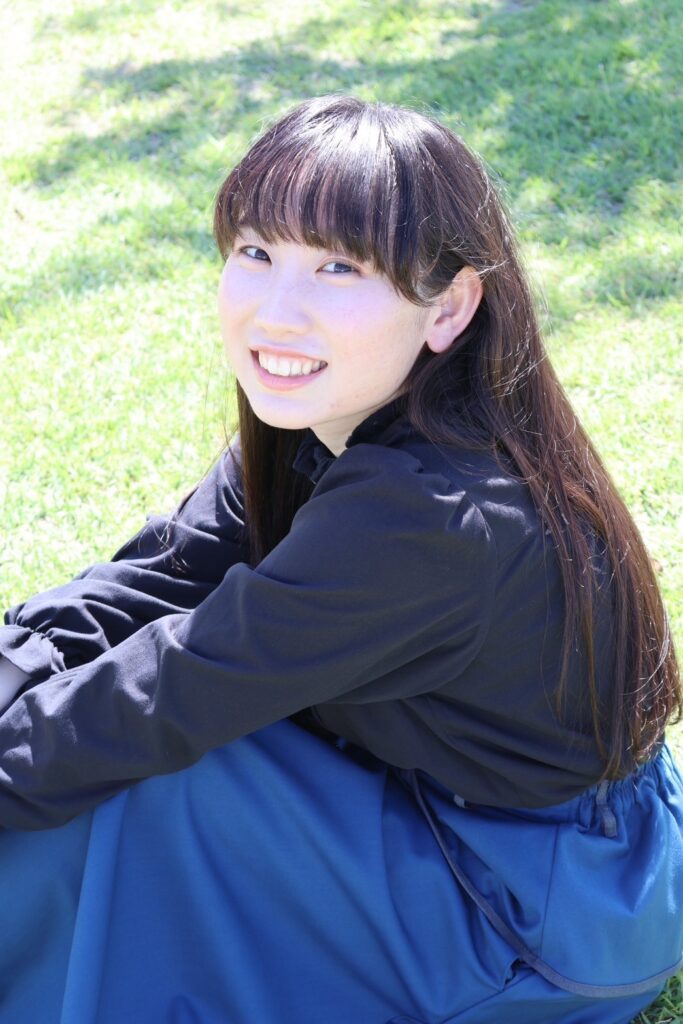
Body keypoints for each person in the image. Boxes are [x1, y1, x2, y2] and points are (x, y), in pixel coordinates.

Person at [0, 93, 680, 1024]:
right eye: (255, 252)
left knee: (147, 775)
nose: (278, 312)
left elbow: (175, 688)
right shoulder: (330, 417)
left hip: (538, 909)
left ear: (448, 307)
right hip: (464, 811)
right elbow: (157, 579)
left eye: (338, 267)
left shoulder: (429, 514)